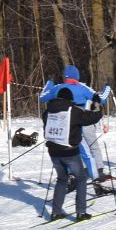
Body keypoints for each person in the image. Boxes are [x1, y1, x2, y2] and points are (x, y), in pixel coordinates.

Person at [42, 84, 104, 222]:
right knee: (81, 178)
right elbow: (91, 118)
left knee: (62, 179)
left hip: (53, 152)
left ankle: (56, 212)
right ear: (70, 100)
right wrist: (97, 105)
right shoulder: (73, 110)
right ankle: (81, 212)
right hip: (69, 152)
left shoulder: (47, 112)